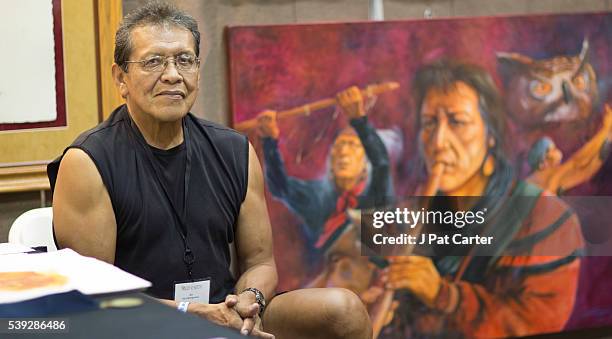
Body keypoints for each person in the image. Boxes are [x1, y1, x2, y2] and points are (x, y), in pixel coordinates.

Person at [48, 2, 371, 339]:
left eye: (184, 60)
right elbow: (98, 300)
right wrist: (192, 314)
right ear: (121, 78)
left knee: (343, 311)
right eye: (153, 61)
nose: (172, 74)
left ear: (197, 73)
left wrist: (249, 301)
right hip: (140, 325)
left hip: (225, 312)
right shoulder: (88, 162)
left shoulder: (234, 151)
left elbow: (260, 263)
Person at [379, 61, 584, 338]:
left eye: (457, 122)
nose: (438, 142)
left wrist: (443, 296)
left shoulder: (544, 218)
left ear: (491, 135)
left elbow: (532, 324)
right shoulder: (404, 216)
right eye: (429, 123)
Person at [526, 104, 612, 195]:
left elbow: (584, 171)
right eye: (552, 149)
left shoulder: (550, 177)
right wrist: (605, 130)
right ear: (543, 163)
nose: (557, 150)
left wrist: (607, 136)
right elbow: (577, 162)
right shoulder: (543, 179)